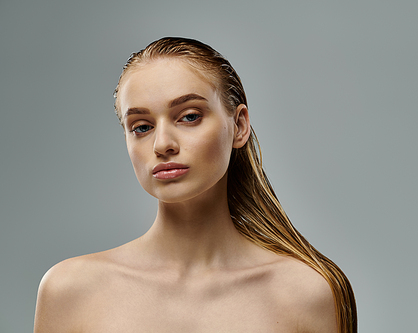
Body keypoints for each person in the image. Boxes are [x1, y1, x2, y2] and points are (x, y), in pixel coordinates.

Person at [34, 37, 356, 333]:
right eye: (141, 126)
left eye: (189, 116)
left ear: (239, 126)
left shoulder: (307, 293)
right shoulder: (69, 290)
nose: (162, 144)